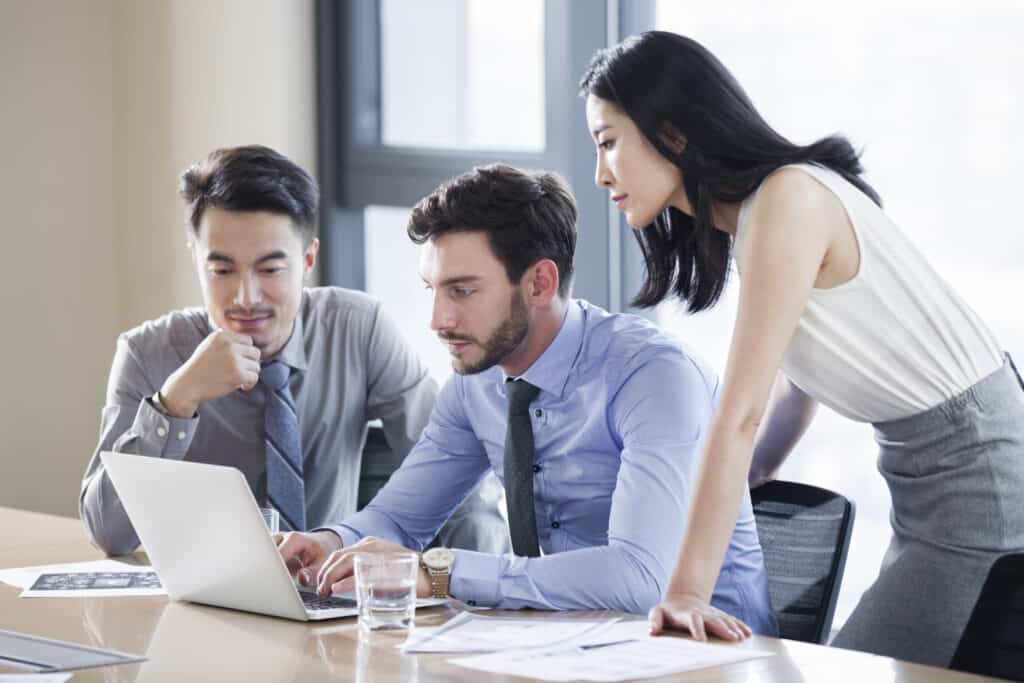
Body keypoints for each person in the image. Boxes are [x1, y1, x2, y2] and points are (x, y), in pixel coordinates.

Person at [579, 31, 1024, 666]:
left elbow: (740, 413)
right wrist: (749, 481)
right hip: (937, 478)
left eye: (608, 142)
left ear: (672, 132)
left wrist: (685, 594)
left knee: (853, 668)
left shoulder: (786, 199)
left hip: (976, 479)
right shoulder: (764, 213)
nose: (600, 174)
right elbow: (797, 388)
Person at [276, 164, 777, 631]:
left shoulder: (654, 378)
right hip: (567, 645)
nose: (437, 320)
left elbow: (640, 577)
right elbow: (398, 519)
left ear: (540, 282)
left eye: (462, 291)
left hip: (709, 656)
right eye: (432, 289)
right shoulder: (475, 385)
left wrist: (442, 571)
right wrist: (331, 542)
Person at [79, 145, 506, 557]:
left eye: (270, 269)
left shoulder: (358, 329)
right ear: (196, 260)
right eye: (222, 269)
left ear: (307, 260)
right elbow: (109, 535)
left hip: (331, 598)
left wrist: (475, 600)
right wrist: (174, 403)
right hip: (200, 607)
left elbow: (456, 476)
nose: (246, 297)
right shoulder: (147, 353)